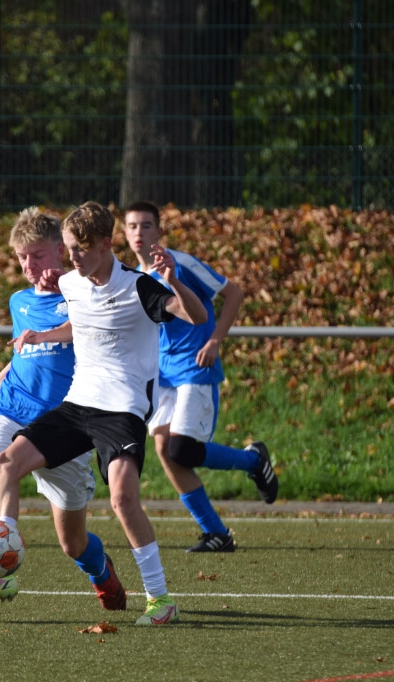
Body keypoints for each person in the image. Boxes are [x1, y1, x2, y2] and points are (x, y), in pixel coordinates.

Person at [0, 201, 208, 626]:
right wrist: (43, 335)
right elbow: (83, 324)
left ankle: (160, 600)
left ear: (106, 244)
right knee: (6, 464)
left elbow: (196, 317)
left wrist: (174, 281)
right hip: (77, 404)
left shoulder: (140, 287)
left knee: (123, 499)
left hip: (122, 411)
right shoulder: (71, 282)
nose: (72, 257)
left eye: (81, 249)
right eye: (69, 248)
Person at [0, 207, 125, 613]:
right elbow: (20, 359)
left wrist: (69, 287)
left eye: (37, 255)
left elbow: (101, 329)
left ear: (60, 252)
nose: (29, 265)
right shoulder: (19, 301)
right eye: (21, 257)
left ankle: (101, 572)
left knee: (73, 543)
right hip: (12, 408)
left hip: (62, 424)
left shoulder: (84, 292)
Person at [122, 201, 278, 552]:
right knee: (165, 450)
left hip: (194, 366)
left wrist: (215, 340)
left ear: (159, 230)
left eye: (146, 225)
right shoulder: (131, 277)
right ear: (124, 233)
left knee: (182, 448)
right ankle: (215, 533)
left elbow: (233, 293)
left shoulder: (181, 263)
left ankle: (254, 461)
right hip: (161, 375)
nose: (139, 232)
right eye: (132, 226)